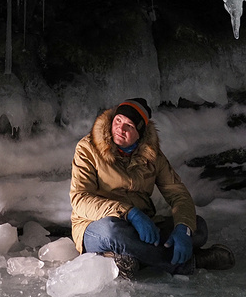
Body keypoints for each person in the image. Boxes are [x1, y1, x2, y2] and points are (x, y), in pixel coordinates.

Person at [70, 97, 236, 279]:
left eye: (129, 126)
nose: (120, 129)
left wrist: (183, 228)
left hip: (142, 228)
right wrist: (130, 213)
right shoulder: (87, 149)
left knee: (197, 227)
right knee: (114, 231)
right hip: (96, 227)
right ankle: (190, 262)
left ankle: (126, 259)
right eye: (118, 120)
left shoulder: (153, 155)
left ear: (140, 133)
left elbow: (178, 193)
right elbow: (80, 199)